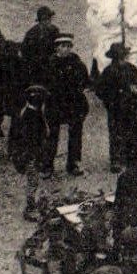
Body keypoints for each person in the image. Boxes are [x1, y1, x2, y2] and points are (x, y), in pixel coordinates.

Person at [42, 34, 90, 178]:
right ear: (57, 48)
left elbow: (85, 81)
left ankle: (73, 164)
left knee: (75, 134)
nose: (66, 49)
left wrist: (78, 90)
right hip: (55, 104)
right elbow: (44, 83)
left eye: (68, 46)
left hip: (74, 103)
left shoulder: (77, 63)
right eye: (62, 46)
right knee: (52, 135)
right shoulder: (49, 64)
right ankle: (47, 165)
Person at [91, 42, 137, 172]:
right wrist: (110, 101)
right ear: (114, 58)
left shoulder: (131, 69)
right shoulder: (108, 72)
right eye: (119, 57)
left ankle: (130, 157)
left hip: (130, 105)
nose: (122, 59)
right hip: (115, 107)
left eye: (124, 56)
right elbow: (100, 90)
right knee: (115, 133)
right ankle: (116, 160)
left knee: (131, 130)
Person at [8, 83, 52, 218]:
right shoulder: (33, 117)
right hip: (31, 155)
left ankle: (35, 205)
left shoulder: (28, 113)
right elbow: (33, 140)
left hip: (30, 154)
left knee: (34, 181)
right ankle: (30, 209)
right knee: (33, 182)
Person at [21, 6, 60, 82]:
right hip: (36, 62)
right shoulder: (32, 33)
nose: (48, 21)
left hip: (52, 59)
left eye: (49, 19)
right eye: (45, 20)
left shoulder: (54, 30)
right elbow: (26, 52)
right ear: (40, 21)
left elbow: (57, 45)